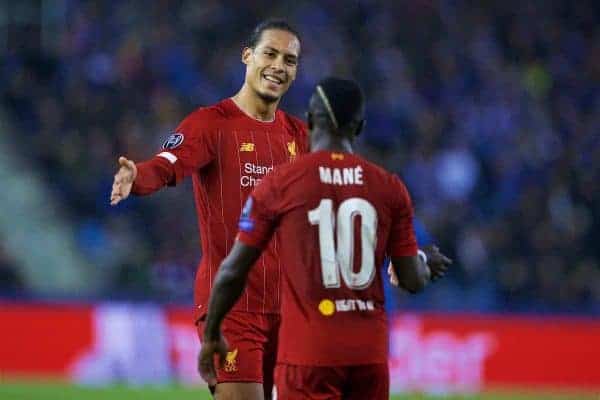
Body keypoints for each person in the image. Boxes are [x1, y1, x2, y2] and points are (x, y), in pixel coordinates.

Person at [199, 77, 452, 399]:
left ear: (308, 120)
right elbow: (412, 280)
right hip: (369, 357)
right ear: (358, 126)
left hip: (308, 355)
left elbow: (233, 270)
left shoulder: (281, 184)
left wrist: (211, 335)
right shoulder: (389, 188)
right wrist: (423, 261)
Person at [110, 19, 306, 400]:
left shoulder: (300, 136)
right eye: (270, 53)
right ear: (247, 56)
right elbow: (168, 163)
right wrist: (138, 176)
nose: (279, 66)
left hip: (291, 310)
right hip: (232, 308)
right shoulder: (210, 125)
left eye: (290, 60)